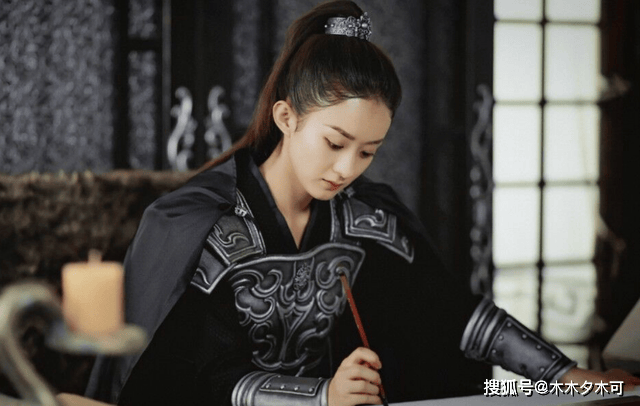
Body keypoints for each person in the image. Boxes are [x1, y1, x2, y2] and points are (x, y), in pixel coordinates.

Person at [84, 1, 640, 405]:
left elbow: (449, 312)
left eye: (368, 152)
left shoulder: (363, 215)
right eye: (335, 143)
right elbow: (194, 375)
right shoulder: (201, 224)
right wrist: (323, 396)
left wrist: (566, 377)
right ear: (286, 117)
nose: (347, 169)